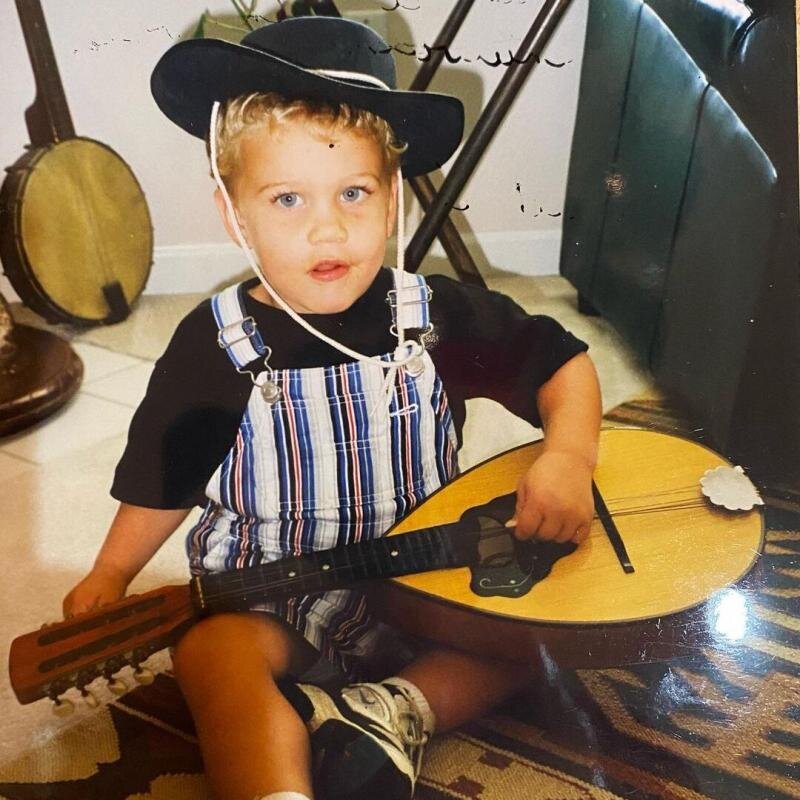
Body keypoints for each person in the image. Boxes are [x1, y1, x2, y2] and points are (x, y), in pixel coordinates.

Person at [63, 15, 601, 800]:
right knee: (211, 656)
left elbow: (563, 364)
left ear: (392, 203)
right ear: (234, 216)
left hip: (426, 583)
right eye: (287, 198)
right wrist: (111, 572)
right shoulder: (215, 344)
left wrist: (568, 456)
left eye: (354, 192)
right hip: (270, 594)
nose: (328, 227)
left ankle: (392, 710)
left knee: (555, 629)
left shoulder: (435, 315)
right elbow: (162, 478)